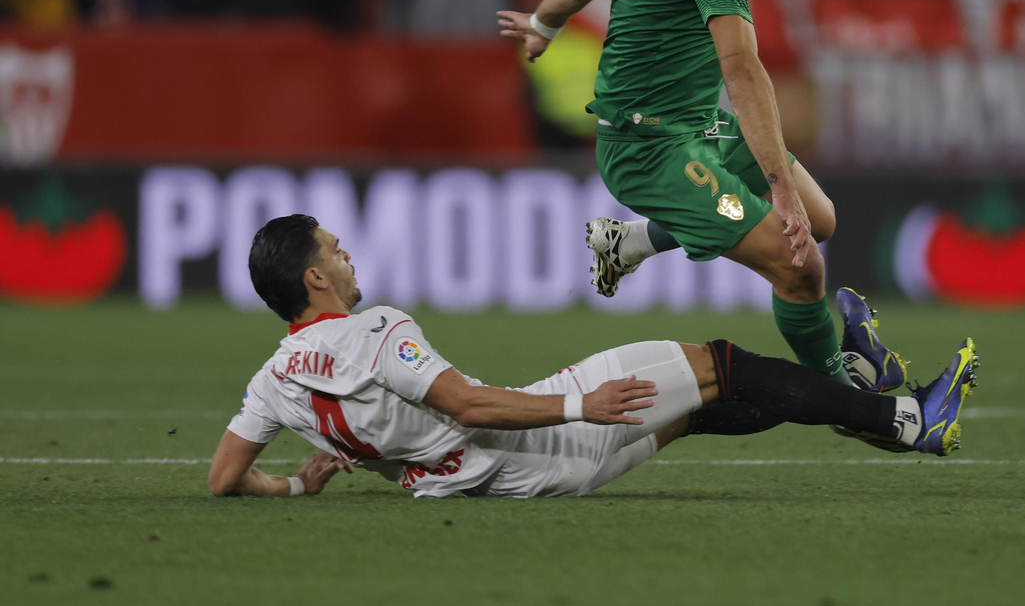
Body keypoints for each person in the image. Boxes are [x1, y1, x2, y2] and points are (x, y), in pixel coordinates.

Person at [497, 0, 902, 391]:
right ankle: (842, 394)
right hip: (650, 148)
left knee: (822, 219)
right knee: (800, 267)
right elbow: (742, 71)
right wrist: (777, 190)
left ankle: (630, 242)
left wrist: (543, 24)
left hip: (693, 127)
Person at [206, 215, 980, 500]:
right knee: (720, 361)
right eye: (335, 252)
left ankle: (856, 394)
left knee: (703, 404)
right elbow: (466, 405)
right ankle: (904, 415)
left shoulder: (272, 381)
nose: (347, 258)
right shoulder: (372, 328)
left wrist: (292, 487)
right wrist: (582, 405)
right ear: (315, 277)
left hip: (495, 485)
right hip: (533, 436)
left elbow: (223, 477)